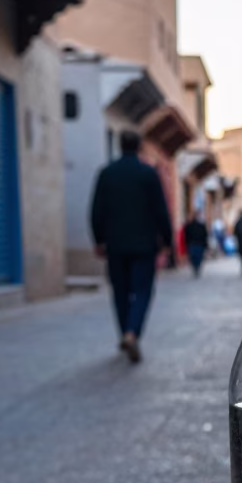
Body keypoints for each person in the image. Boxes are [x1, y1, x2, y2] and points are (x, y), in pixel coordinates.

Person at [90, 130, 173, 364]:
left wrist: (98, 240)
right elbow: (160, 211)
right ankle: (132, 332)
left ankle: (125, 331)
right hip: (145, 246)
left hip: (115, 246)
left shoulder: (106, 174)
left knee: (120, 292)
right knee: (143, 290)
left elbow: (96, 210)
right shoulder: (148, 174)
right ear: (139, 147)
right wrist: (167, 241)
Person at [184, 212, 209, 277]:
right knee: (195, 257)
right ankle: (196, 267)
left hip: (197, 243)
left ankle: (196, 267)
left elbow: (205, 235)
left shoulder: (198, 226)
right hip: (195, 243)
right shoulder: (190, 226)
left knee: (197, 257)